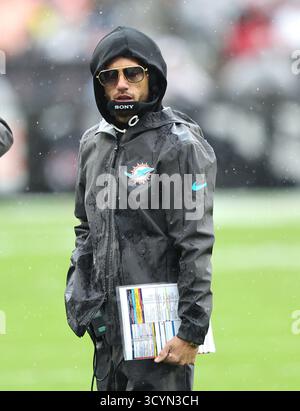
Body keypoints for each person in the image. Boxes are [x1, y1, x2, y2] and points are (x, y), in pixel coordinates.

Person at [65, 26, 217, 391]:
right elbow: (85, 228)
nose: (121, 84)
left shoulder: (179, 144)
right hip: (107, 328)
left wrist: (192, 330)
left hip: (160, 332)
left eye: (133, 73)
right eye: (110, 76)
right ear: (99, 85)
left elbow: (194, 242)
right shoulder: (93, 142)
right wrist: (80, 296)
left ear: (153, 78)